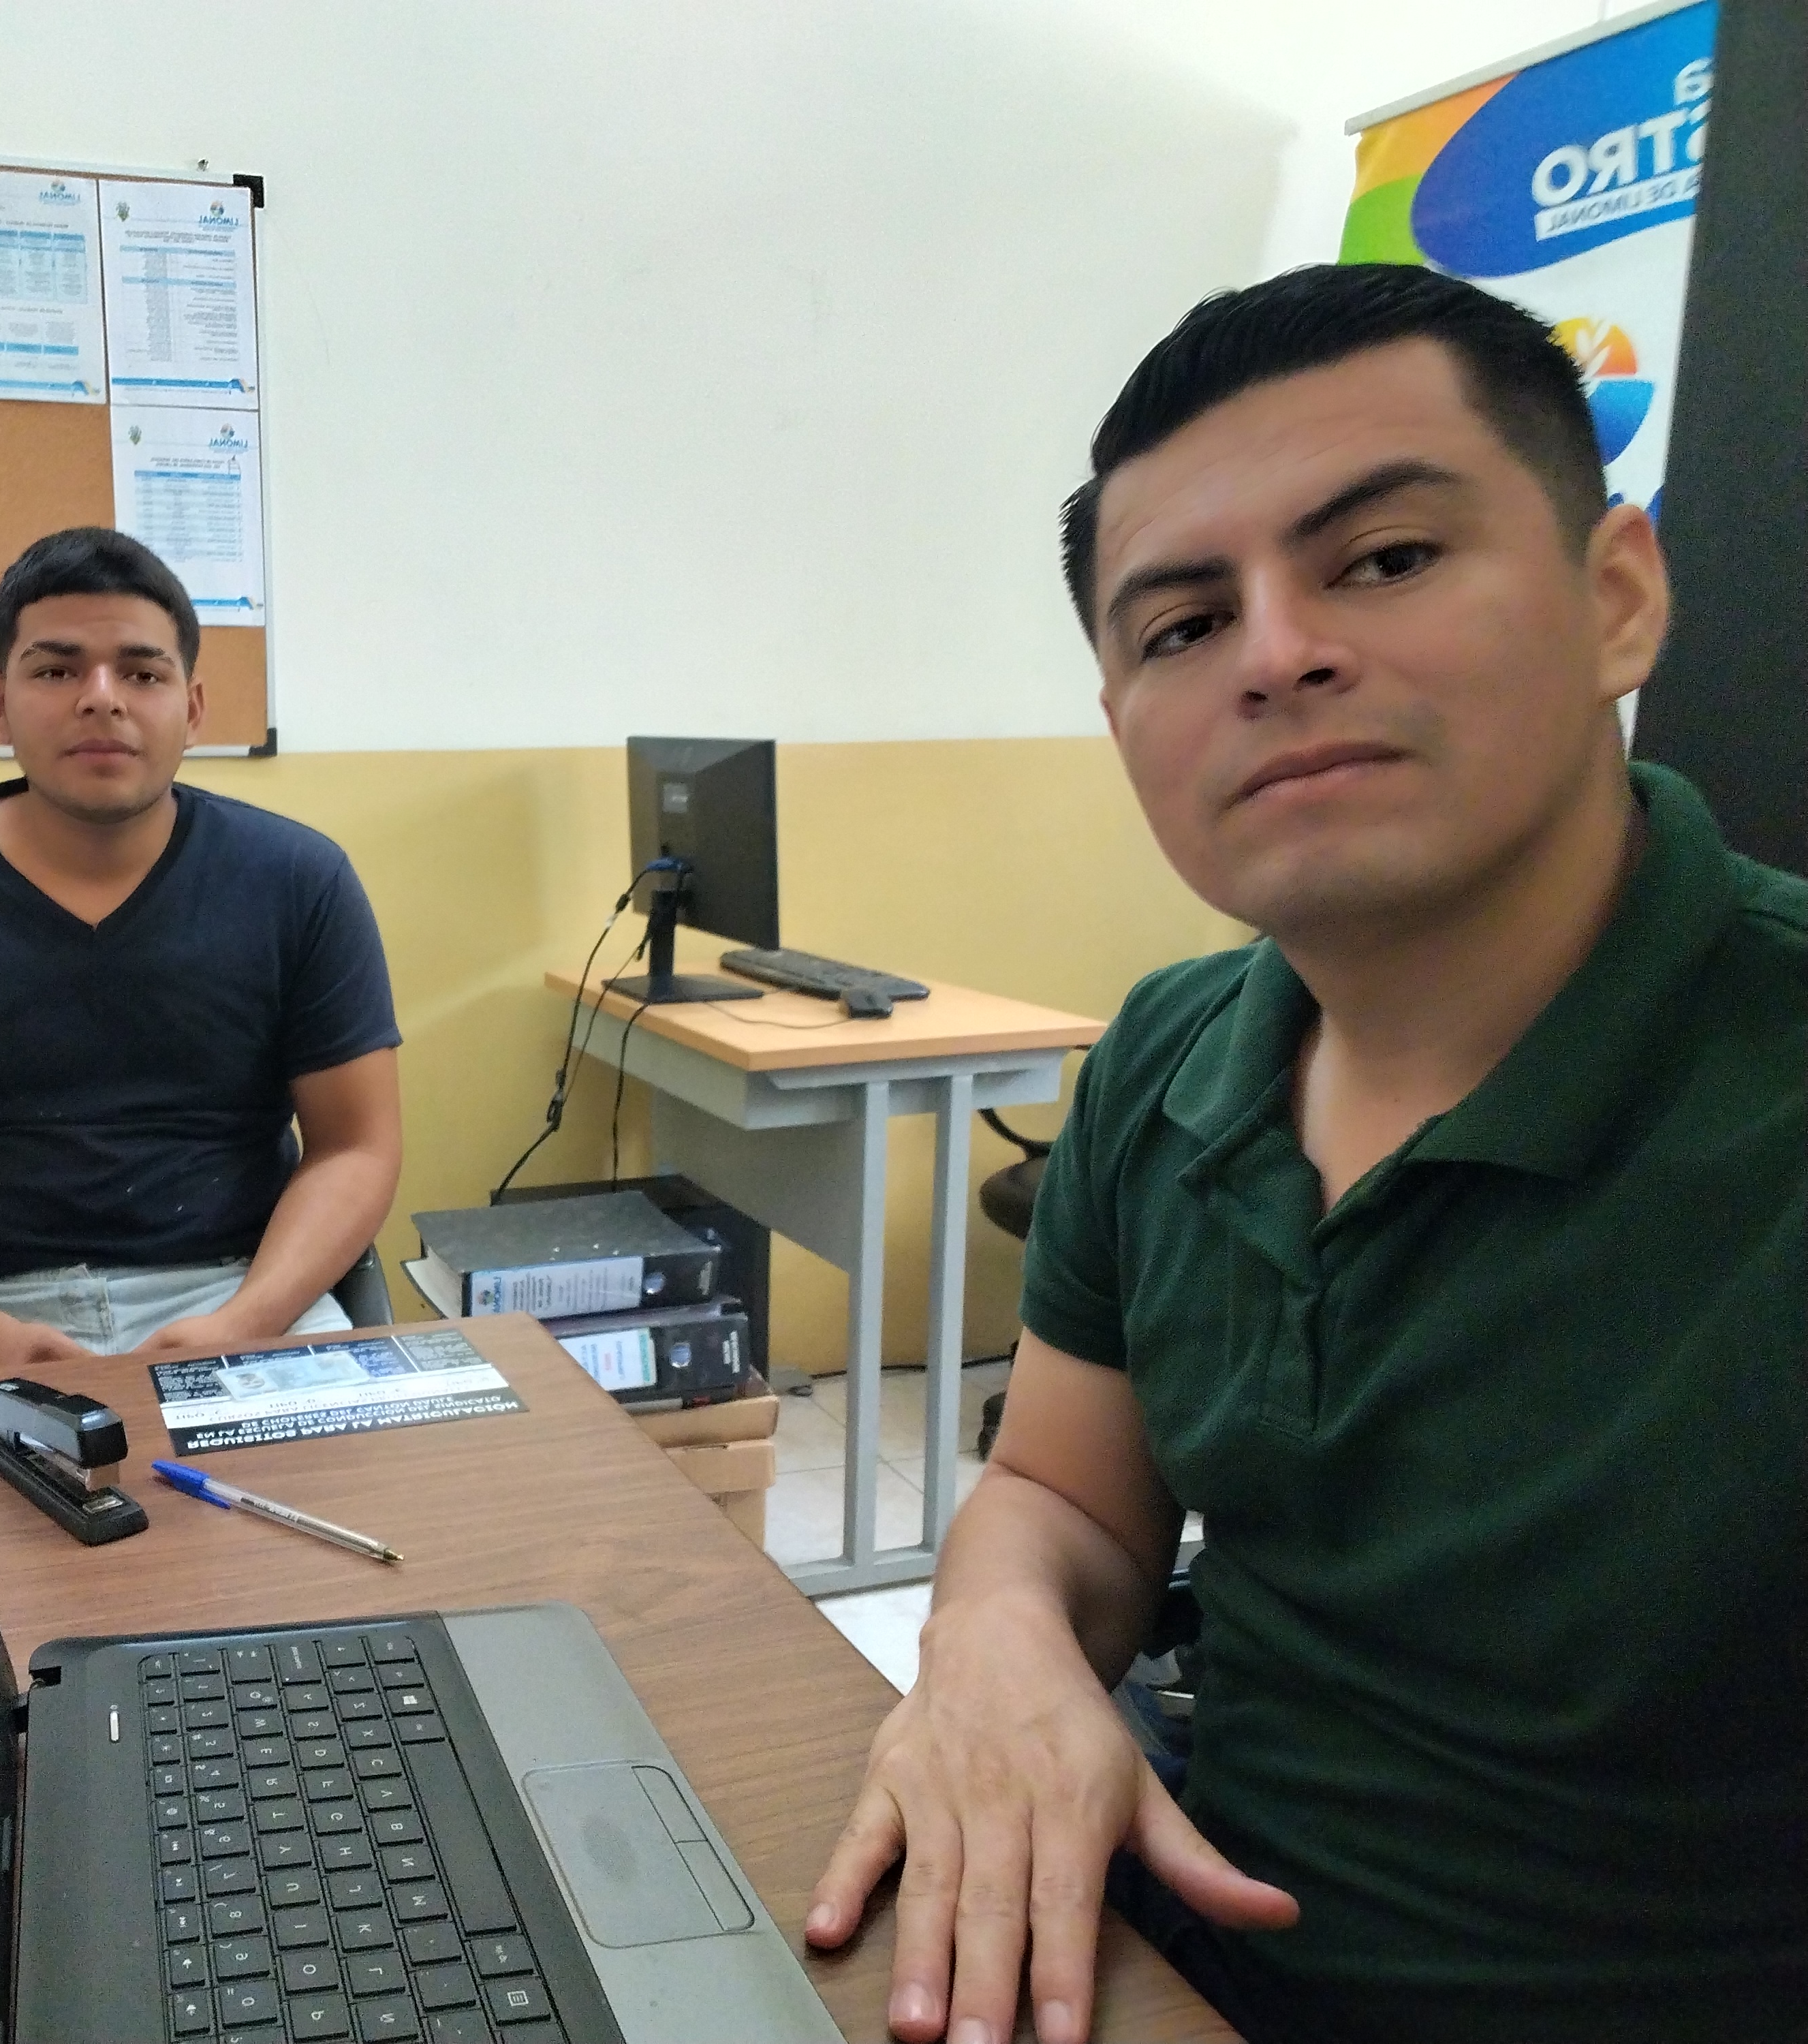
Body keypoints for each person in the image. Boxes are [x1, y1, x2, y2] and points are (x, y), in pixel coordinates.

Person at [802, 264, 1805, 2044]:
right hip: (1168, 1972)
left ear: (1617, 598)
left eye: (1386, 558)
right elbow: (1062, 1499)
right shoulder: (1168, 1056)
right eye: (1181, 627)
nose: (1274, 655)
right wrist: (995, 1642)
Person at [0, 527, 403, 1371]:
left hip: (237, 1291)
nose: (102, 698)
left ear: (193, 708)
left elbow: (356, 1145)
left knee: (368, 1457)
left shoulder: (299, 880)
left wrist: (245, 1320)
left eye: (142, 673)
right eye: (57, 671)